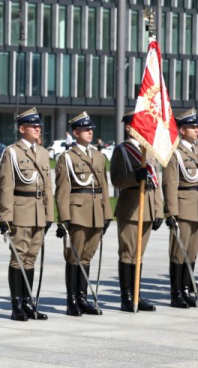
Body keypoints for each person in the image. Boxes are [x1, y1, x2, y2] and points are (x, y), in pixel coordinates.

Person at [0, 107, 53, 321]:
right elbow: (5, 187)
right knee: (18, 258)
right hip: (21, 211)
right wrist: (5, 217)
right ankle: (17, 304)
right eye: (33, 125)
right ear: (22, 129)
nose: (38, 128)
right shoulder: (12, 152)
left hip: (39, 211)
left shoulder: (43, 153)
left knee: (30, 258)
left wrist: (49, 216)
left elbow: (47, 186)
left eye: (39, 125)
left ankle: (29, 302)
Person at [54, 112, 112, 316]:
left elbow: (104, 186)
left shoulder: (98, 156)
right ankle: (72, 302)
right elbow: (62, 190)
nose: (90, 132)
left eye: (91, 129)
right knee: (74, 256)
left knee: (87, 257)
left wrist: (107, 214)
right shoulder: (67, 158)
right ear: (75, 132)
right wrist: (64, 219)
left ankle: (83, 298)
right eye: (85, 129)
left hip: (96, 211)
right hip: (77, 212)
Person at [110, 110, 162, 312]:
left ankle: (137, 295)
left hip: (148, 207)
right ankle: (127, 297)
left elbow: (155, 183)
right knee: (128, 254)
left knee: (139, 255)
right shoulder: (121, 151)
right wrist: (134, 176)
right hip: (130, 206)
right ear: (129, 127)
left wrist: (157, 211)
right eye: (138, 124)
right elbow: (116, 179)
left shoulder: (149, 150)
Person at [163, 109, 198, 309]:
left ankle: (187, 290)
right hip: (182, 206)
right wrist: (171, 212)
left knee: (192, 252)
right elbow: (170, 184)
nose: (196, 129)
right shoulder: (174, 152)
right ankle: (176, 294)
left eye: (197, 125)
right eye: (192, 126)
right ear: (182, 129)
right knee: (178, 253)